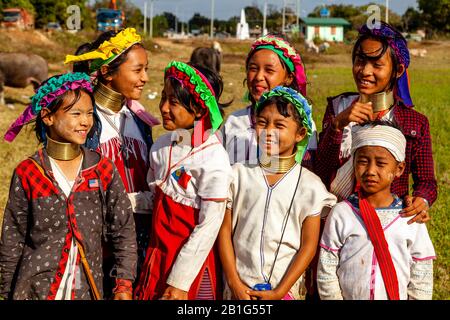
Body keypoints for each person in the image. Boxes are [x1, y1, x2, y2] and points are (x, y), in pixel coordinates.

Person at [1, 73, 137, 300]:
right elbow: (12, 237)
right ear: (47, 117)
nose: (85, 121)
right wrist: (6, 289)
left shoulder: (102, 170)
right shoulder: (29, 172)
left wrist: (123, 284)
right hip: (36, 290)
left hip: (87, 289)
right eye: (76, 114)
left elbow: (123, 230)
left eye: (89, 114)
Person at [218, 86, 336, 300]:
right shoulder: (237, 175)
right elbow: (224, 232)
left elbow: (308, 246)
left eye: (279, 125)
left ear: (300, 134)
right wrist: (234, 283)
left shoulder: (311, 187)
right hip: (237, 291)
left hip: (285, 291)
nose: (269, 131)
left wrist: (280, 291)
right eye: (262, 123)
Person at [65, 28, 160, 292]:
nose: (145, 78)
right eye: (138, 70)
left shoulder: (140, 122)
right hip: (98, 247)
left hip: (138, 245)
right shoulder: (84, 123)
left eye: (146, 69)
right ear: (107, 72)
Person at [314, 22, 437, 223]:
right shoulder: (338, 108)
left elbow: (427, 182)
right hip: (336, 221)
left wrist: (421, 200)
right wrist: (338, 125)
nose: (365, 71)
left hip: (386, 221)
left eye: (377, 65)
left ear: (398, 70)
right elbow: (321, 172)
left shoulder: (415, 123)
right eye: (360, 61)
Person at [133, 61, 233, 300]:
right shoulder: (160, 147)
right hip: (157, 257)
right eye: (163, 97)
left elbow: (208, 226)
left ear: (198, 110)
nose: (164, 107)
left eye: (174, 102)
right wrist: (120, 201)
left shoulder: (214, 159)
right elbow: (154, 198)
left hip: (191, 268)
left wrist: (180, 282)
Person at [317, 122, 435, 300]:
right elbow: (327, 268)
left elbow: (422, 274)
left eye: (381, 163)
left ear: (399, 169)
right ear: (354, 163)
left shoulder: (410, 217)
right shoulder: (342, 213)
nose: (370, 171)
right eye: (363, 162)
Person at [221, 34, 318, 170]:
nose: (259, 77)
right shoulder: (234, 122)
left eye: (269, 70)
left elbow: (307, 170)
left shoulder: (303, 125)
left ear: (288, 78)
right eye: (253, 68)